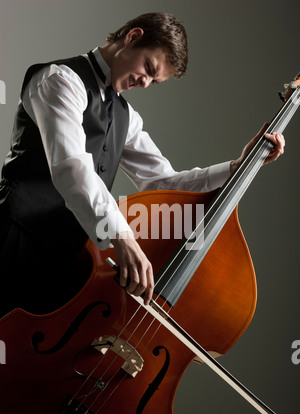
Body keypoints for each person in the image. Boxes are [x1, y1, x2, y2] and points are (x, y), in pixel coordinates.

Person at [0, 12, 285, 318]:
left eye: (154, 80)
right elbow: (72, 170)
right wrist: (122, 237)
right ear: (133, 36)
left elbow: (163, 183)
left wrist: (236, 167)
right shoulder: (60, 80)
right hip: (13, 241)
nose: (145, 83)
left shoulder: (126, 117)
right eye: (148, 68)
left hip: (66, 260)